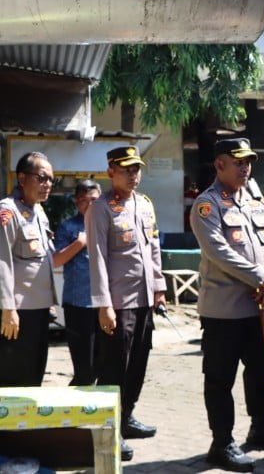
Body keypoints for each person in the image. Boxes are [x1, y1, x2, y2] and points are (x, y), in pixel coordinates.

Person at [190, 137, 264, 473]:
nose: (246, 167)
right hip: (225, 310)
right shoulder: (206, 205)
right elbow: (218, 252)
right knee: (220, 379)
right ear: (220, 165)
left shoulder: (255, 199)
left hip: (261, 306)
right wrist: (260, 277)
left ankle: (260, 428)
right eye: (238, 161)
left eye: (249, 161)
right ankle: (221, 443)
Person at [86, 145, 167, 462]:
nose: (133, 174)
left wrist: (159, 287)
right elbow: (98, 259)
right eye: (126, 169)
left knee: (138, 363)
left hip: (145, 299)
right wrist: (103, 304)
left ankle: (128, 416)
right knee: (114, 367)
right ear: (111, 173)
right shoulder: (101, 208)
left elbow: (154, 247)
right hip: (118, 303)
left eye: (137, 169)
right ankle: (111, 429)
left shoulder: (145, 204)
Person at [0, 151, 57, 387]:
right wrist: (8, 309)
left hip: (38, 309)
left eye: (50, 179)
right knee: (14, 375)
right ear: (21, 178)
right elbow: (2, 260)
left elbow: (43, 259)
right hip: (17, 312)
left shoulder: (38, 211)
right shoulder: (7, 210)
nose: (47, 184)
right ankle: (10, 425)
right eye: (41, 177)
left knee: (35, 372)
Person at [53, 180, 101, 386]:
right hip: (78, 303)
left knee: (102, 364)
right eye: (83, 201)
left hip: (106, 303)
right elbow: (55, 260)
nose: (89, 205)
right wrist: (79, 243)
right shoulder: (68, 227)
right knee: (84, 368)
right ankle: (75, 412)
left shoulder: (107, 223)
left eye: (94, 200)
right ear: (75, 201)